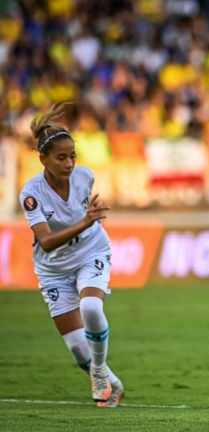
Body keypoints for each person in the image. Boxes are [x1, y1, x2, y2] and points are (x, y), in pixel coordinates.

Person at [19, 103, 124, 407]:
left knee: (91, 307)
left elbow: (84, 216)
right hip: (53, 268)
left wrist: (87, 222)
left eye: (73, 156)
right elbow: (47, 242)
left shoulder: (85, 177)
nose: (69, 164)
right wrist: (84, 221)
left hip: (91, 251)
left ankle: (100, 373)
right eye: (61, 158)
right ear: (43, 159)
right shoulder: (31, 194)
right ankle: (111, 381)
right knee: (79, 349)